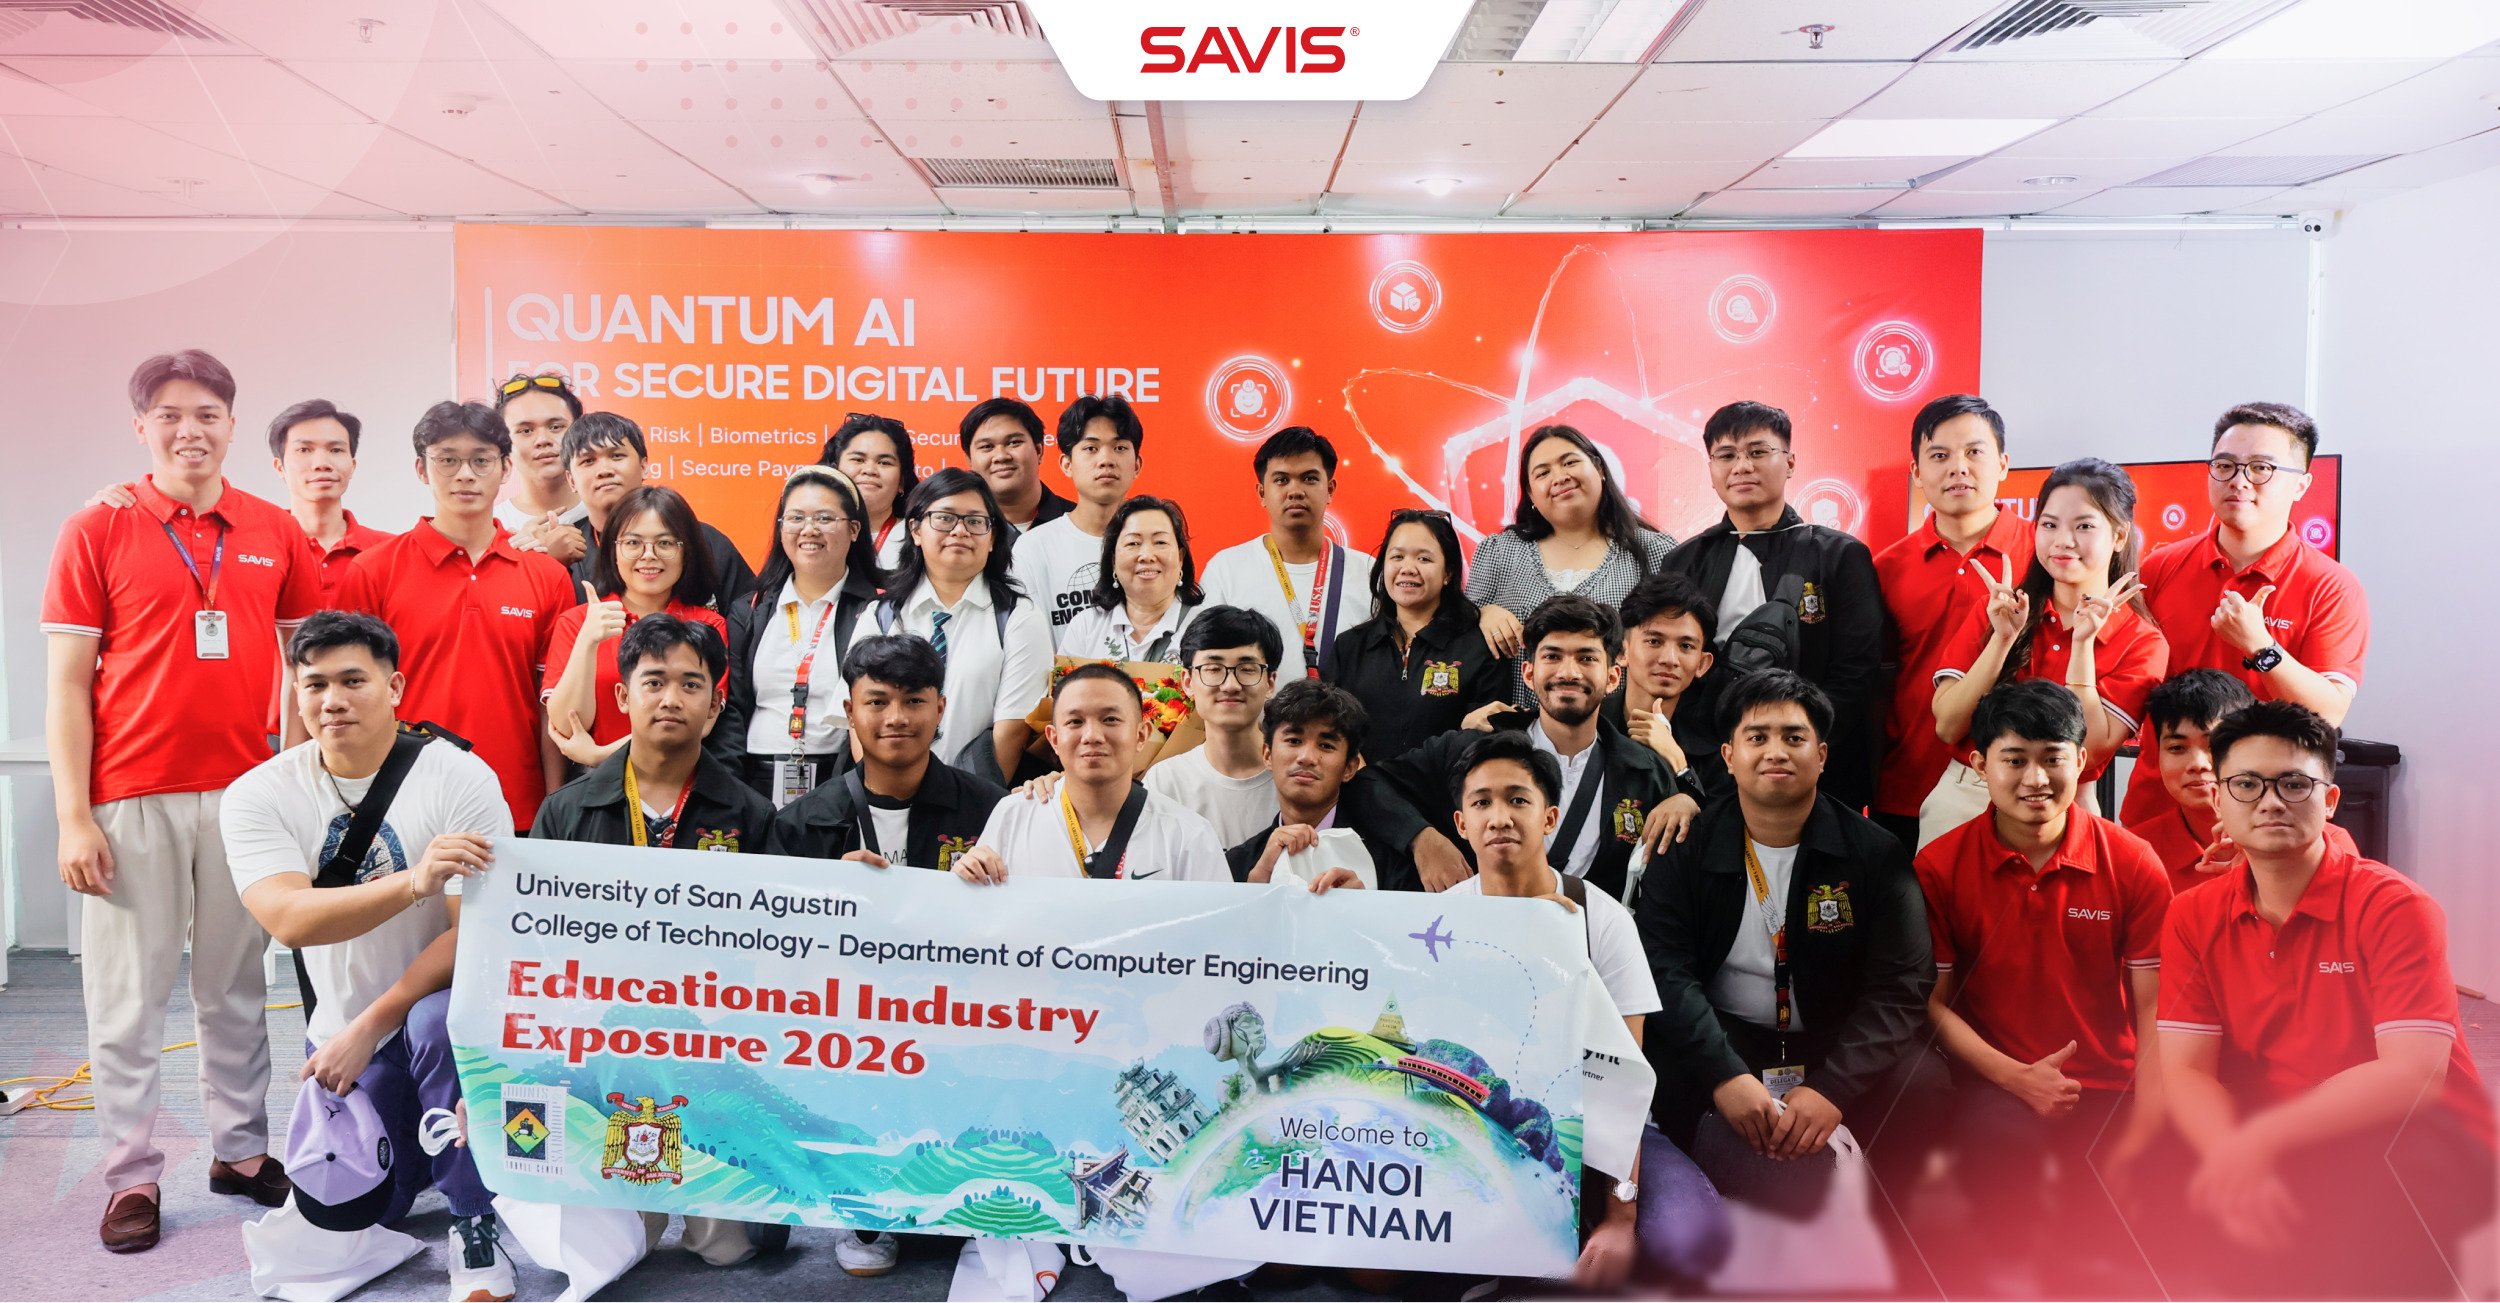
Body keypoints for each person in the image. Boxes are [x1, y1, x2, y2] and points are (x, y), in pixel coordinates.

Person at [43, 350, 318, 1251]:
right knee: (129, 997)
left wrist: (298, 791)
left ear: (233, 424)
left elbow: (304, 672)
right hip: (131, 794)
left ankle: (240, 1152)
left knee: (236, 986)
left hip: (246, 796)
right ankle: (130, 1174)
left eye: (206, 413)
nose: (189, 430)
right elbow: (67, 682)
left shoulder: (273, 529)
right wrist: (74, 815)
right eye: (168, 414)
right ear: (141, 427)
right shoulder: (98, 526)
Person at [220, 611, 523, 1298]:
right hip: (348, 1038)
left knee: (433, 1021)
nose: (333, 700)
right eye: (315, 684)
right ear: (295, 694)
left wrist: (373, 1021)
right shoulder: (259, 793)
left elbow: (477, 934)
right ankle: (433, 1164)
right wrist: (414, 881)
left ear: (395, 687)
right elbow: (289, 919)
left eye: (353, 680)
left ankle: (473, 1224)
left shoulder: (458, 777)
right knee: (367, 1210)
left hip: (448, 1027)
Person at [2157, 702, 2495, 1298]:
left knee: (2365, 1202)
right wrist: (2230, 1151)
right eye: (2246, 784)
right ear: (2219, 803)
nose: (2270, 802)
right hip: (2274, 1120)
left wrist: (2260, 1141)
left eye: (2294, 784)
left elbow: (2411, 1078)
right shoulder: (2192, 915)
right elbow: (2186, 1070)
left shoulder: (2395, 907)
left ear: (2330, 800)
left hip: (2411, 1131)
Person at [529, 614, 789, 1269]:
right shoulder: (567, 812)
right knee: (616, 1249)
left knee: (731, 1249)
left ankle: (716, 1198)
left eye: (690, 684)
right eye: (653, 682)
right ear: (623, 696)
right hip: (600, 1042)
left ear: (715, 705)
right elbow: (532, 940)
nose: (671, 697)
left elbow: (780, 946)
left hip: (715, 1040)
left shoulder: (751, 815)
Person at [1634, 670, 1945, 1216]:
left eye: (1794, 737)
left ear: (1822, 756)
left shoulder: (1874, 853)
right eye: (1757, 737)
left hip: (1833, 1041)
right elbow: (1665, 970)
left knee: (1924, 1083)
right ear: (1728, 757)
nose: (1775, 751)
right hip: (1726, 1041)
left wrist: (1834, 1089)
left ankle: (1888, 1222)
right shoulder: (1686, 846)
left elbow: (1902, 985)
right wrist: (1725, 1075)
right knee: (1666, 1072)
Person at [1915, 679, 2172, 1295]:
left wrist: (2151, 1116)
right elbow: (1931, 1003)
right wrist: (2015, 1077)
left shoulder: (2132, 860)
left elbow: (2155, 1004)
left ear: (2081, 761)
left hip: (2113, 1082)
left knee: (2128, 1230)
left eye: (2052, 757)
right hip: (1996, 1083)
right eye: (2014, 759)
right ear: (1980, 765)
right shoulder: (1939, 866)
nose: (2035, 779)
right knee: (2006, 1196)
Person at [1441, 730, 1693, 1292]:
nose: (1500, 817)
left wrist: (1620, 1214)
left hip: (1605, 1133)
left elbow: (1622, 1080)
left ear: (1549, 817)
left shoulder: (1601, 919)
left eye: (1518, 799)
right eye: (1481, 802)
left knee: (1692, 1235)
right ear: (1461, 824)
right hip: (1486, 1121)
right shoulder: (1440, 921)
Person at [1343, 595, 1689, 900]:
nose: (1568, 672)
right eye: (1552, 656)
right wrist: (1421, 839)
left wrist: (1687, 798)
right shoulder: (1470, 748)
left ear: (1612, 678)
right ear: (1528, 673)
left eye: (1586, 658)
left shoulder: (1645, 772)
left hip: (1585, 942)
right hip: (1478, 936)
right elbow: (1366, 784)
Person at [2121, 402, 2369, 825]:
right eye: (2225, 466)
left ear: (2301, 484)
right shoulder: (2160, 568)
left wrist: (2261, 647)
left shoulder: (2330, 586)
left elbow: (2328, 712)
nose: (2239, 481)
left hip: (2267, 815)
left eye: (2260, 468)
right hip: (2160, 812)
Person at [335, 401, 578, 830]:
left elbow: (551, 707)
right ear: (422, 469)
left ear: (505, 468)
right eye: (447, 460)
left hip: (515, 802)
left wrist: (554, 807)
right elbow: (351, 693)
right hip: (401, 801)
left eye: (481, 460)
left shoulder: (547, 576)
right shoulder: (373, 570)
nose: (465, 474)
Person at [1660, 402, 1883, 811]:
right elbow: (1667, 664)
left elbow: (1857, 671)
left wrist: (1800, 743)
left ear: (1790, 462)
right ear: (1711, 469)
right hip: (1705, 763)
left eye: (1758, 452)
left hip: (1814, 765)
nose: (1742, 466)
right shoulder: (1684, 561)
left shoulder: (1838, 554)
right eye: (1726, 455)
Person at [1930, 458, 2169, 808]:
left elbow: (2090, 749)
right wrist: (2002, 640)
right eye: (2049, 525)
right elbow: (1948, 726)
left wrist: (2082, 644)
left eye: (2084, 526)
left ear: (2119, 536)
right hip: (1971, 792)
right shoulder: (1997, 610)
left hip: (2065, 801)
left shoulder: (2142, 641)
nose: (2063, 541)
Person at [1872, 394, 2028, 851]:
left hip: (2020, 791)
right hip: (1906, 790)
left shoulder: (2043, 555)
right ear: (1917, 472)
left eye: (1974, 452)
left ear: (2002, 464)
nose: (1958, 468)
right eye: (1939, 456)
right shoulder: (1884, 569)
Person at [950, 663, 1241, 886]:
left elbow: (1216, 939)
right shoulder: (1013, 816)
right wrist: (966, 880)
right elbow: (979, 927)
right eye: (1075, 721)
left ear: (1141, 735)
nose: (1092, 736)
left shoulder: (1187, 835)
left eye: (1110, 719)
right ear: (1053, 738)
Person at [852, 468, 1053, 785]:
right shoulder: (881, 617)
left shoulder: (1020, 618)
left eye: (975, 522)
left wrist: (965, 803)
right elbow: (860, 720)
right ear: (916, 530)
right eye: (944, 519)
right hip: (887, 795)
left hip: (977, 797)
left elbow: (1012, 732)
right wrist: (885, 793)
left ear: (992, 538)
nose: (960, 531)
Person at [768, 634, 1008, 874]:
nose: (896, 718)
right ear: (850, 713)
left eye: (914, 701)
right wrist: (831, 888)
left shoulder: (992, 810)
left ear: (939, 709)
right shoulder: (801, 825)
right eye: (877, 703)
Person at [715, 466, 883, 803]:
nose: (809, 529)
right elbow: (730, 709)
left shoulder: (878, 610)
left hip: (841, 781)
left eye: (824, 518)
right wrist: (731, 792)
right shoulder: (750, 610)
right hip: (755, 782)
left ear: (853, 530)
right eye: (795, 518)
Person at [1464, 424, 1675, 683]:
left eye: (1570, 462)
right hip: (1513, 708)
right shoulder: (1500, 551)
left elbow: (1678, 640)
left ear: (1599, 469)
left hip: (1624, 709)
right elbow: (1459, 630)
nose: (1560, 477)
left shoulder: (1654, 550)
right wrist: (1483, 613)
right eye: (1543, 473)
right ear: (1530, 493)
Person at [542, 485, 728, 761]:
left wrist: (602, 757)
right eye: (632, 543)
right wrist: (587, 641)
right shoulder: (577, 622)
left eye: (665, 543)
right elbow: (567, 727)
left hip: (678, 779)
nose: (648, 554)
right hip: (592, 783)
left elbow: (698, 725)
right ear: (613, 552)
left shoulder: (708, 626)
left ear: (686, 552)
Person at [1318, 508, 1507, 763]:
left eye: (1424, 559)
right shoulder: (1350, 647)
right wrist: (1364, 778)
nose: (1408, 568)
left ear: (1448, 573)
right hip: (1361, 786)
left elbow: (1487, 746)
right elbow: (1328, 730)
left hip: (1446, 788)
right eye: (1397, 556)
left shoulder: (1481, 648)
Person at [1199, 426, 1378, 682]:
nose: (1295, 490)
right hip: (1255, 710)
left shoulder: (1368, 571)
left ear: (1330, 489)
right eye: (1282, 480)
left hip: (1349, 709)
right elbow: (1205, 662)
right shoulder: (1225, 569)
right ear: (1262, 493)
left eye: (1310, 478)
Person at [1226, 680, 1415, 890]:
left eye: (1326, 745)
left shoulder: (1392, 863)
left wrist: (1364, 904)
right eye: (1294, 741)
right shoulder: (1237, 866)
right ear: (1267, 755)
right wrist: (1253, 891)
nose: (1307, 757)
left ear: (1349, 768)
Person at [562, 411, 756, 603]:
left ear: (644, 466)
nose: (604, 471)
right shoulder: (564, 552)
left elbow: (748, 613)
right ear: (571, 480)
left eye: (617, 456)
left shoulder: (704, 540)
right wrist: (554, 562)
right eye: (588, 461)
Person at [1142, 606, 1284, 847]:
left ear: (1270, 683)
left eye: (1247, 669)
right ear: (1188, 682)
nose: (1230, 685)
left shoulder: (1293, 775)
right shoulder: (1165, 783)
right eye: (1213, 669)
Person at [1011, 393, 1145, 644]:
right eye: (1091, 448)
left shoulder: (1157, 546)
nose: (1106, 460)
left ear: (1137, 465)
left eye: (1119, 448)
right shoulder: (1034, 548)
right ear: (1067, 464)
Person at [1601, 571, 1729, 807]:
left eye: (1686, 646)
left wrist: (1679, 765)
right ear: (1621, 651)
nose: (1669, 659)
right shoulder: (1588, 726)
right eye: (1654, 641)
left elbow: (1714, 822)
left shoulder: (1715, 751)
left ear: (1702, 664)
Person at [2130, 669, 2256, 896]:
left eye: (2215, 745)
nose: (2197, 764)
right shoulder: (2131, 853)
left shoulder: (2306, 844)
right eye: (2177, 748)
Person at [1060, 495, 1204, 663]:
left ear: (1180, 558)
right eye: (1133, 543)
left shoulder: (1208, 626)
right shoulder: (1086, 626)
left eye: (1160, 542)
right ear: (1113, 561)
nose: (1147, 556)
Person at [493, 372, 588, 565]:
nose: (543, 440)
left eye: (555, 427)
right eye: (526, 431)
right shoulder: (491, 527)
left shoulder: (609, 517)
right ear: (503, 443)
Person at [959, 397, 1072, 537]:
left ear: (1039, 451)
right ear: (969, 460)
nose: (1001, 456)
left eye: (1013, 443)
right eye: (987, 446)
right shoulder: (958, 530)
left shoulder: (1080, 524)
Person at [824, 411, 919, 570]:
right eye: (858, 459)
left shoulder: (920, 537)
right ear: (834, 471)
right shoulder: (814, 531)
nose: (869, 470)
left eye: (884, 463)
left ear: (901, 482)